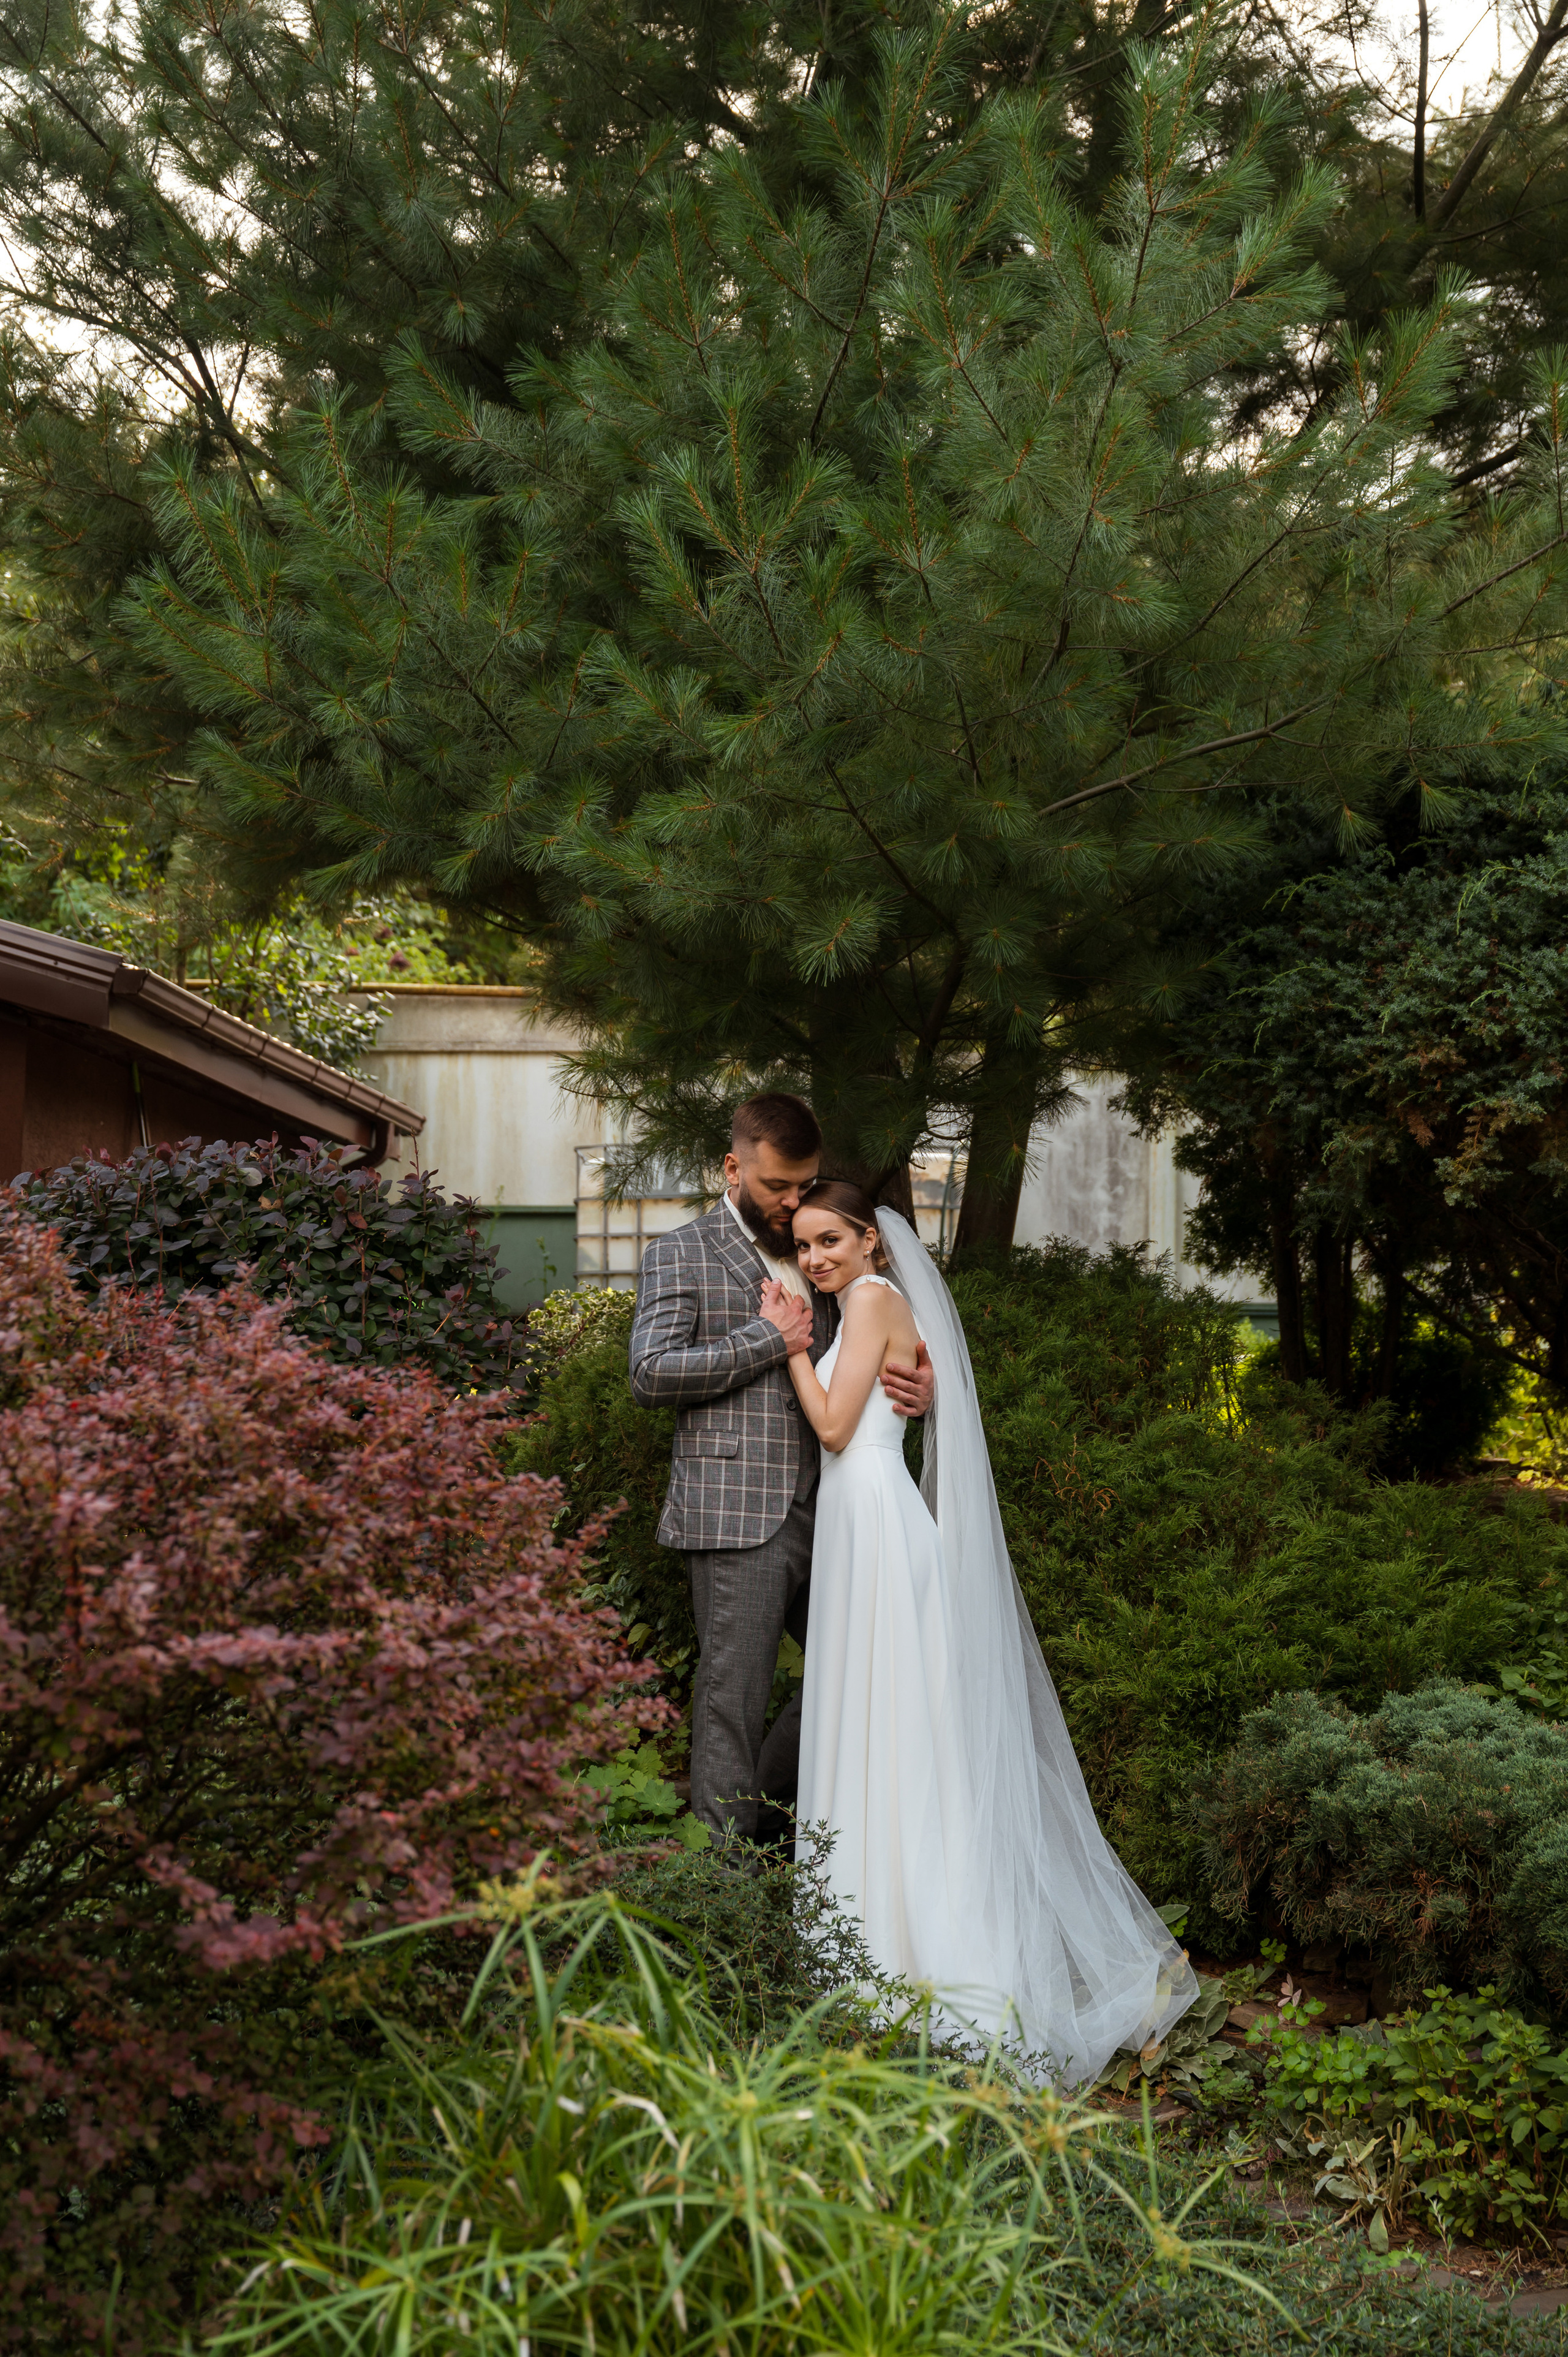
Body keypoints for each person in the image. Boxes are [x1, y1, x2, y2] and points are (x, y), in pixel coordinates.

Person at [777, 1176, 1198, 2086]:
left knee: (893, 1729)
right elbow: (905, 1387)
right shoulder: (870, 1306)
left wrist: (790, 1347)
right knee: (884, 1729)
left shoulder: (870, 1300)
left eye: (828, 1241)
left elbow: (836, 1425)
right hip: (866, 1526)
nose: (813, 1258)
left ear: (871, 1243)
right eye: (803, 1243)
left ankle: (914, 1955)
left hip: (879, 1526)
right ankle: (871, 1945)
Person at [628, 1094, 934, 1841]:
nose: (793, 1201)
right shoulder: (680, 1251)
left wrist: (915, 1389)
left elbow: (858, 1355)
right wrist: (766, 1338)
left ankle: (762, 1834)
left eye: (804, 1185)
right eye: (776, 1187)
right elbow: (650, 1373)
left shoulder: (816, 1246)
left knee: (853, 1676)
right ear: (733, 1168)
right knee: (732, 1698)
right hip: (738, 1513)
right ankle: (724, 1895)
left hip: (836, 1507)